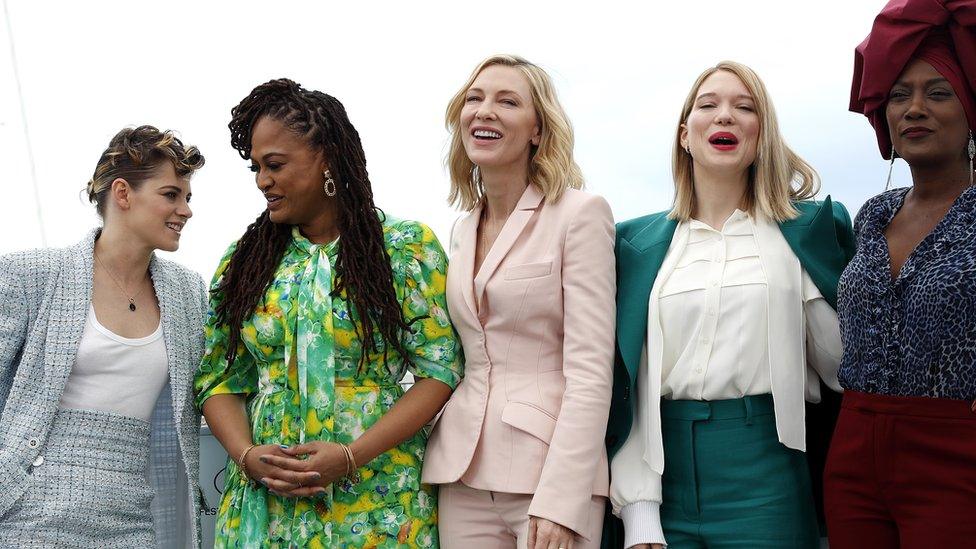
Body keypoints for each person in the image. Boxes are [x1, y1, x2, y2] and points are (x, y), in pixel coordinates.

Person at [194, 78, 462, 548]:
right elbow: (219, 378)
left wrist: (352, 455)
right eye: (256, 167)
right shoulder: (245, 263)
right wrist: (245, 454)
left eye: (275, 165)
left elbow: (439, 370)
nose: (262, 180)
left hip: (379, 498)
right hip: (267, 505)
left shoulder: (404, 248)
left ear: (327, 161)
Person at [607, 61, 855, 549]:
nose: (725, 116)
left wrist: (800, 279)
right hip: (660, 478)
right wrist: (639, 512)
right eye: (708, 105)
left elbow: (843, 368)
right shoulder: (631, 244)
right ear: (684, 134)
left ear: (762, 134)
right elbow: (625, 383)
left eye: (745, 107)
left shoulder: (810, 228)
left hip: (767, 472)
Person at [422, 54, 616, 549]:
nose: (484, 111)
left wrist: (562, 498)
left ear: (537, 129)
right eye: (474, 99)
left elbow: (591, 371)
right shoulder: (463, 229)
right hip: (460, 475)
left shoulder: (580, 214)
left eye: (507, 101)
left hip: (547, 476)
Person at [0, 125, 207, 548]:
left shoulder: (188, 293)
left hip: (133, 518)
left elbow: (216, 383)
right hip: (29, 514)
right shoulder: (30, 275)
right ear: (123, 193)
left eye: (187, 197)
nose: (185, 210)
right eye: (171, 194)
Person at [826, 1, 976, 547]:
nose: (915, 108)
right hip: (855, 448)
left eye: (938, 93)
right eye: (899, 95)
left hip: (956, 449)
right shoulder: (872, 215)